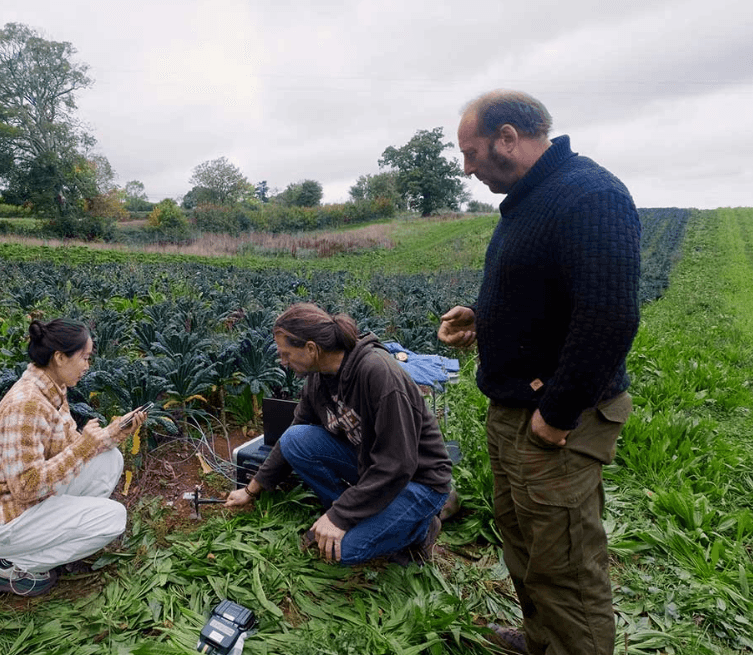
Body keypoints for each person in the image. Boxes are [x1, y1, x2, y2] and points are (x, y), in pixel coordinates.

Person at [439, 90, 640, 654]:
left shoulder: (589, 194)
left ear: (508, 137)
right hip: (514, 412)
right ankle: (542, 640)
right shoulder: (533, 198)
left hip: (554, 419)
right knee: (524, 544)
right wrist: (482, 319)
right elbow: (551, 294)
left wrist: (556, 413)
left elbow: (609, 315)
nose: (468, 167)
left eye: (472, 152)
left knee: (567, 568)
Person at [226, 303, 453, 565]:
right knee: (295, 440)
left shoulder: (378, 374)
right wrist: (251, 489)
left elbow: (398, 464)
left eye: (286, 354)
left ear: (311, 349)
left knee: (343, 552)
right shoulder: (319, 377)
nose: (283, 362)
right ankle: (357, 514)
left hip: (417, 479)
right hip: (371, 466)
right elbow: (295, 429)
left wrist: (339, 517)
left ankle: (421, 530)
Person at [0, 318, 147, 597]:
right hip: (4, 518)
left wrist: (115, 432)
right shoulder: (26, 405)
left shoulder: (52, 389)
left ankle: (57, 541)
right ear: (60, 357)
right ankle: (10, 567)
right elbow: (25, 487)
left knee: (110, 458)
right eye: (84, 358)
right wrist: (84, 447)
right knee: (114, 519)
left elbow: (69, 445)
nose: (87, 366)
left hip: (27, 503)